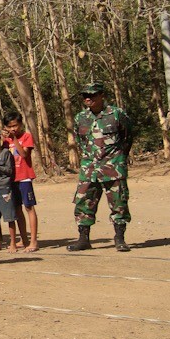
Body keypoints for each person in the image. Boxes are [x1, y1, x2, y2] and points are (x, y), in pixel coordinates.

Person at [68, 82, 134, 252]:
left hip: (113, 167)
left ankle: (119, 238)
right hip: (89, 168)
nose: (88, 98)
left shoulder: (116, 114)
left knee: (118, 203)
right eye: (85, 96)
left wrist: (118, 158)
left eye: (92, 95)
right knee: (83, 202)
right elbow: (81, 141)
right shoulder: (80, 118)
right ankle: (84, 239)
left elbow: (127, 137)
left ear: (102, 95)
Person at [2, 111, 36, 252]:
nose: (13, 129)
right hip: (12, 179)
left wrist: (15, 139)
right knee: (17, 209)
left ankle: (33, 241)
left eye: (15, 126)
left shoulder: (26, 137)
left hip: (24, 177)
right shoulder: (5, 142)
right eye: (9, 127)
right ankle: (24, 239)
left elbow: (24, 154)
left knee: (29, 208)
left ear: (21, 124)